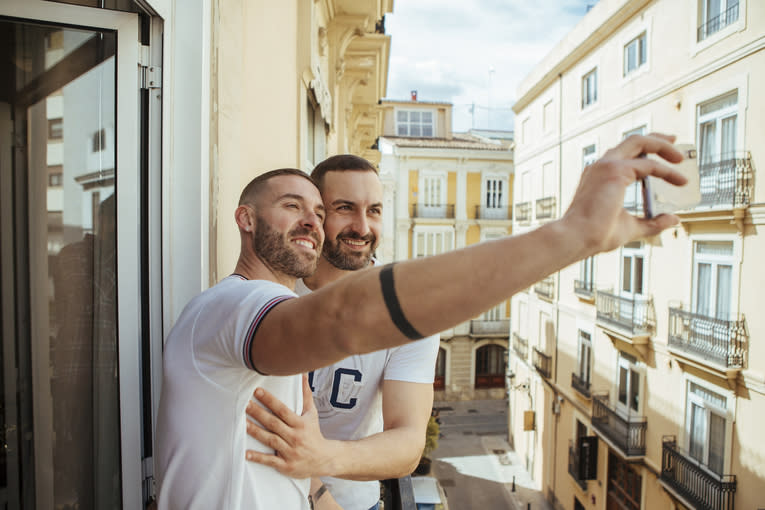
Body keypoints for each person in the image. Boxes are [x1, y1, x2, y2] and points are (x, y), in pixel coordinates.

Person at [156, 133, 687, 510]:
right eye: (297, 206)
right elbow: (342, 319)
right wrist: (570, 237)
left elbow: (394, 444)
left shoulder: (254, 313)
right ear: (246, 220)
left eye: (317, 212)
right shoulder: (232, 308)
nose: (315, 223)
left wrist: (319, 473)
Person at [243, 155, 439, 510]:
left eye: (374, 210)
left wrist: (318, 460)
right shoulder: (271, 291)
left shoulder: (407, 312)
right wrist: (316, 489)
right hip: (260, 495)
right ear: (316, 216)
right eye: (345, 208)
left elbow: (408, 443)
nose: (362, 227)